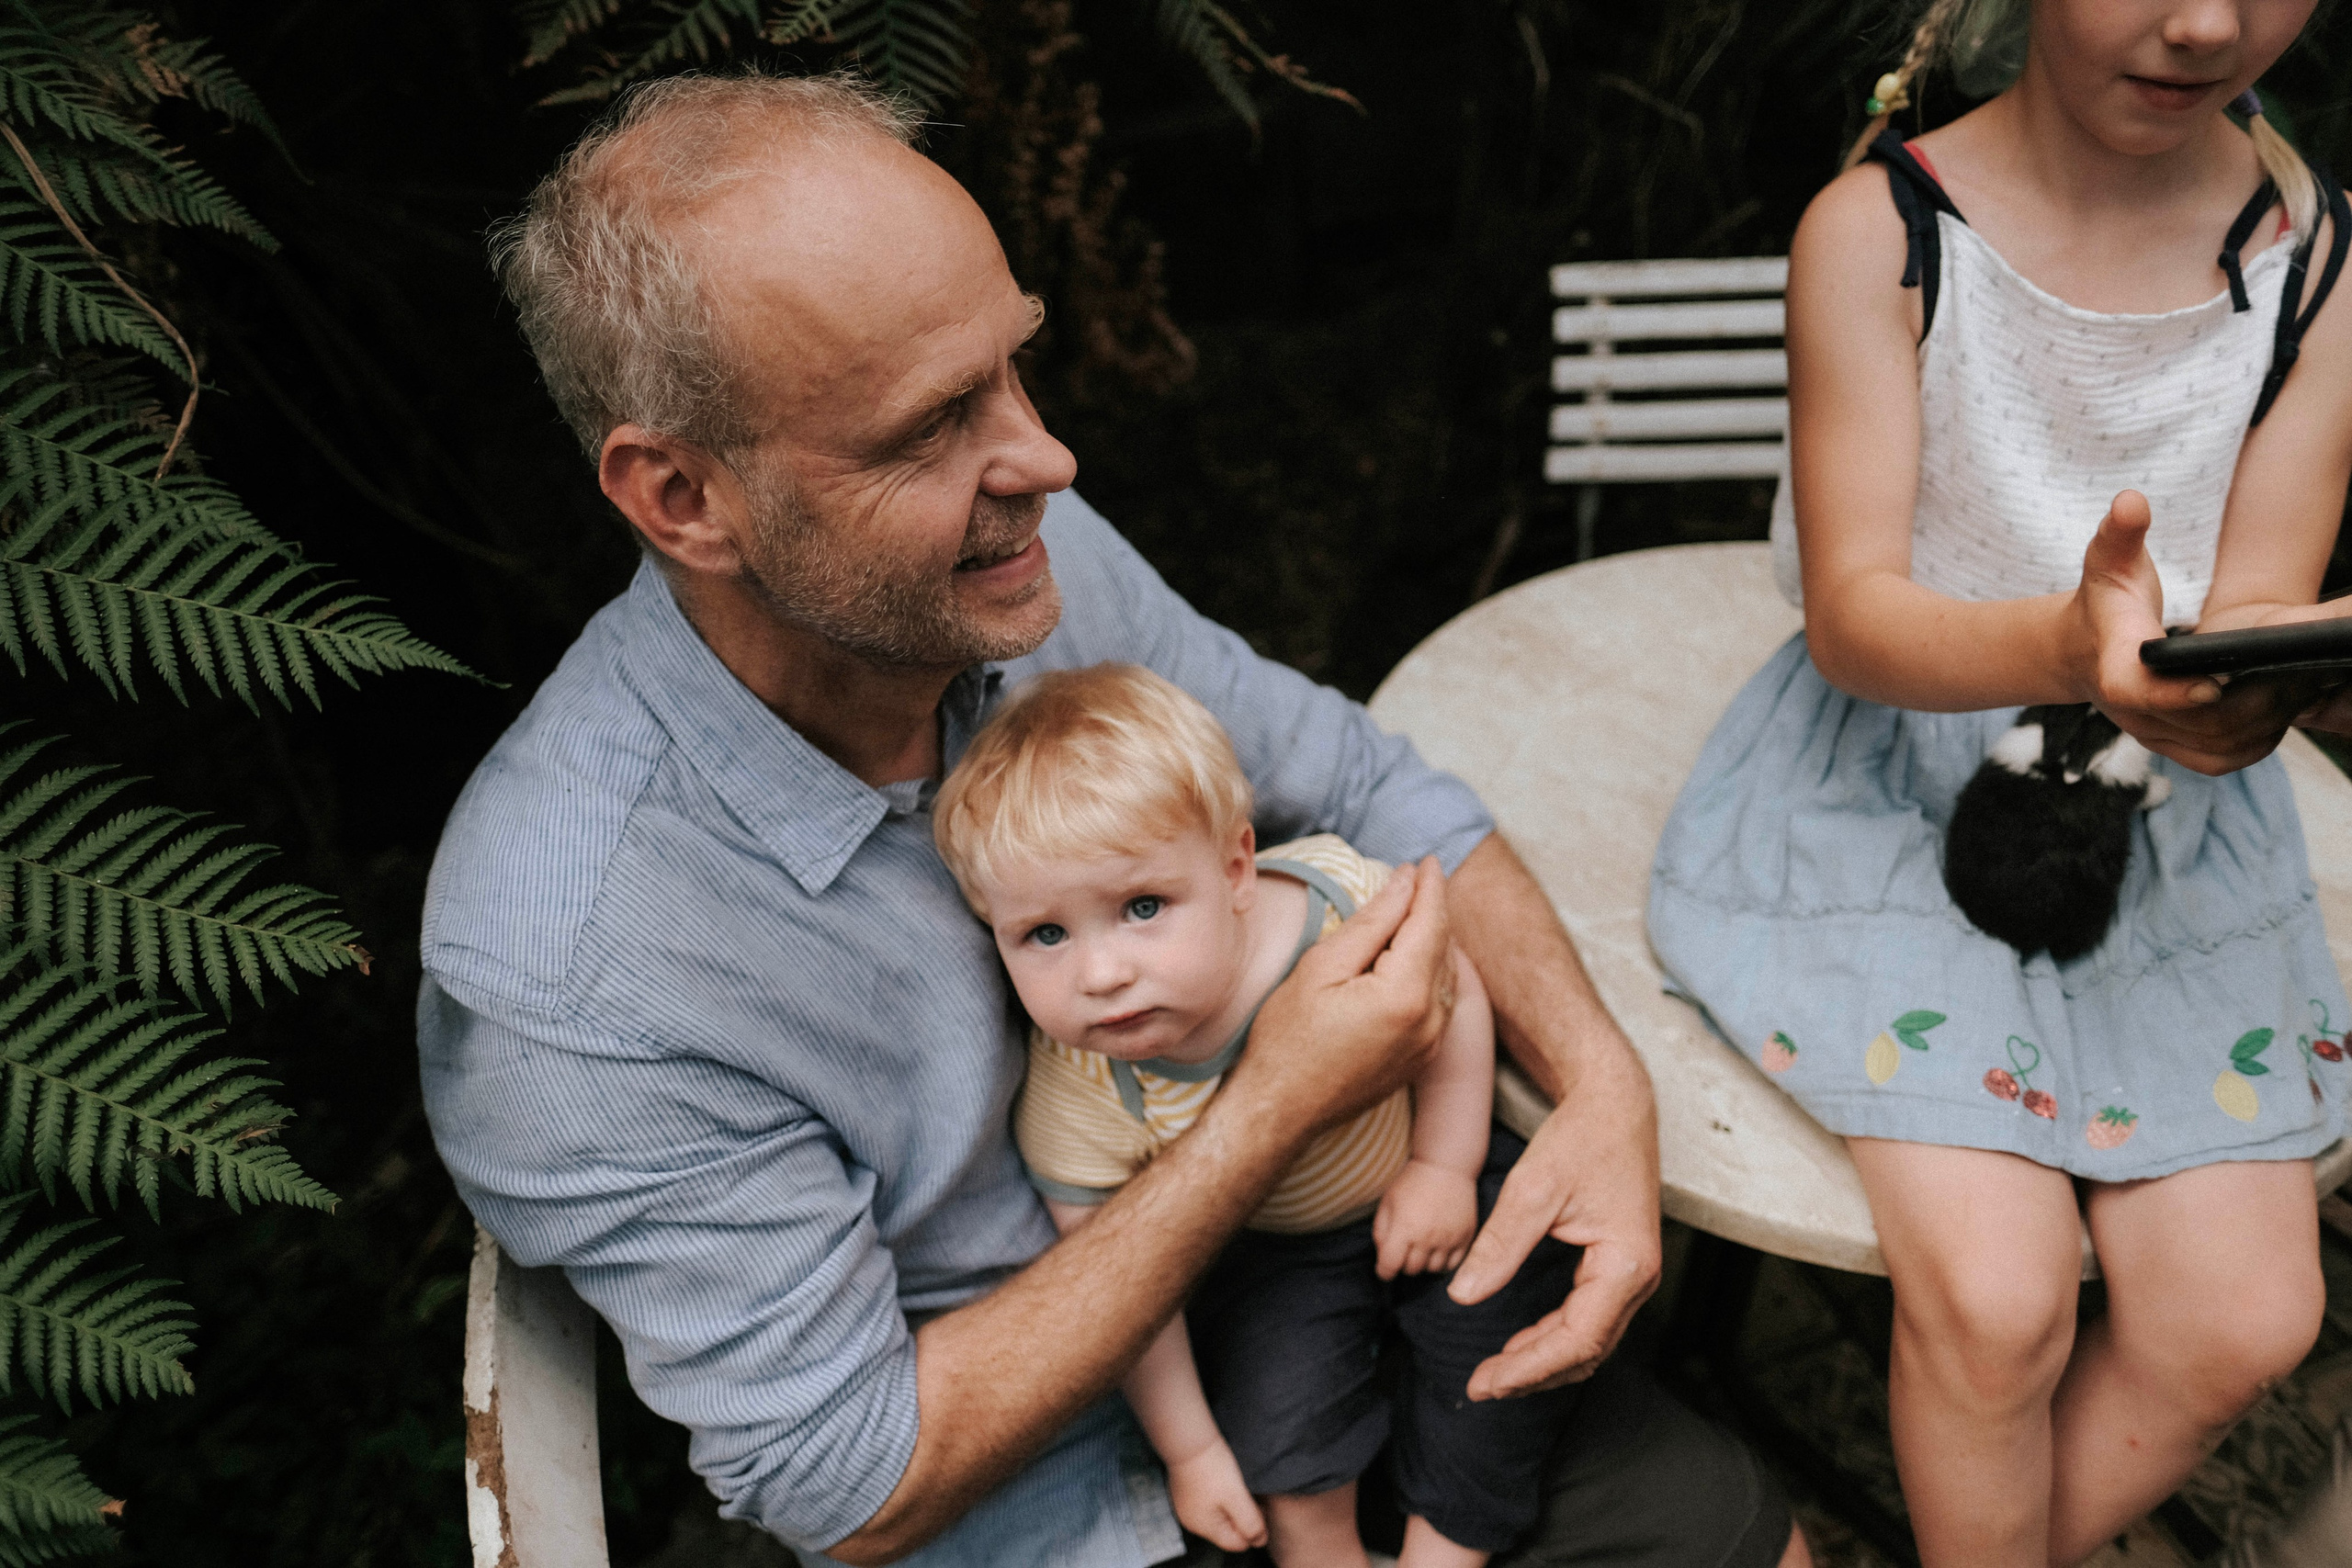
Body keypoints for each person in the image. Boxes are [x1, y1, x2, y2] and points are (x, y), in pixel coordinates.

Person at [418, 69, 1805, 1568]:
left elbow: (1369, 790)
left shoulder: (1023, 564)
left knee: (1743, 1544)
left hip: (1325, 1291)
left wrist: (1599, 1087)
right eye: (932, 425)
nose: (1045, 460)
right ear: (685, 498)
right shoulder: (567, 963)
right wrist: (1270, 1100)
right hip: (1038, 1503)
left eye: (1012, 367)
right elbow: (849, 1477)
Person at [1646, 1, 2352, 1563]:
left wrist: (2230, 701)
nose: (2206, 22)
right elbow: (1855, 616)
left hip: (2166, 806)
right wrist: (2062, 637)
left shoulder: (2320, 259)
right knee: (1997, 1300)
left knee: (2246, 1316)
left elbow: (2249, 604)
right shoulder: (1880, 230)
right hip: (1896, 774)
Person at [932, 663, 1577, 1568]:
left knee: (1508, 1322)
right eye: (1045, 934)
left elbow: (1454, 990)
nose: (1101, 972)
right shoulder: (1082, 1087)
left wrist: (1442, 1161)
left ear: (1237, 868)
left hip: (1416, 1163)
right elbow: (1129, 1294)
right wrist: (1191, 1453)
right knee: (1278, 1433)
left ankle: (1445, 1550)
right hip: (1281, 1247)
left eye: (1142, 907)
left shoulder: (1333, 911)